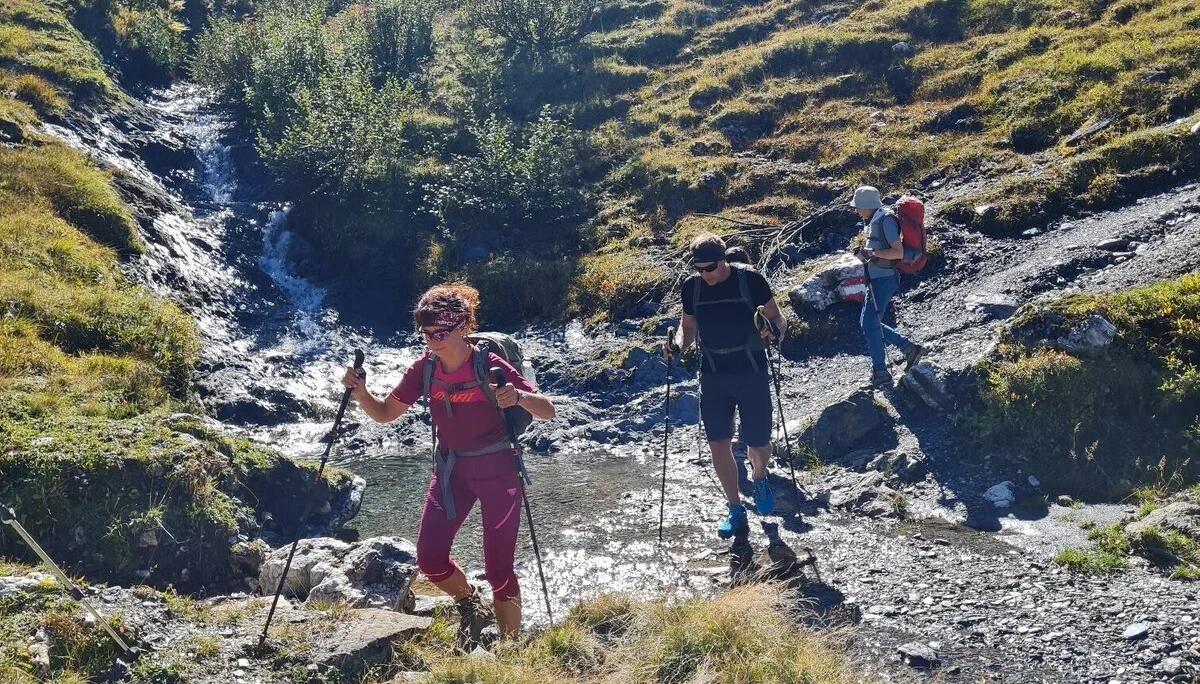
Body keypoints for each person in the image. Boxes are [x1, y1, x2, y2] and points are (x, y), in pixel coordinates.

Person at [340, 284, 555, 643]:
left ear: (463, 326)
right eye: (424, 333)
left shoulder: (488, 364)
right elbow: (384, 414)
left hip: (499, 472)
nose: (432, 341)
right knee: (430, 560)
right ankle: (470, 602)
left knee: (498, 569)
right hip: (451, 472)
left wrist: (517, 396)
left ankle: (511, 650)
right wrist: (360, 392)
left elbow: (547, 410)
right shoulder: (424, 369)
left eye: (440, 333)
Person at [663, 233, 787, 539]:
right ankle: (735, 508)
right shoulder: (692, 287)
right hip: (713, 373)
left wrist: (773, 331)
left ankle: (759, 477)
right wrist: (677, 346)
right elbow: (688, 328)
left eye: (709, 269)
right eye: (698, 269)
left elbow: (778, 318)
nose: (704, 275)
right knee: (718, 442)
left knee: (758, 443)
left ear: (723, 261)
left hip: (751, 371)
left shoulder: (751, 280)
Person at [850, 186, 926, 387]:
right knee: (870, 323)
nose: (857, 210)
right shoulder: (877, 219)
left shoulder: (886, 221)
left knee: (869, 324)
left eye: (859, 207)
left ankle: (882, 372)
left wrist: (871, 254)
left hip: (884, 279)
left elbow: (898, 252)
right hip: (878, 279)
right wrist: (867, 254)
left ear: (868, 205)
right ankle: (908, 349)